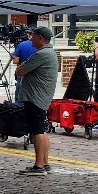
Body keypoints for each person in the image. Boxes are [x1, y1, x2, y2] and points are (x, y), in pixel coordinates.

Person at [16, 27, 58, 176]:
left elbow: (20, 71)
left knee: (37, 131)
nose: (31, 39)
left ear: (40, 38)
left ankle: (39, 166)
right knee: (41, 129)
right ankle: (45, 163)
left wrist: (21, 65)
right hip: (41, 97)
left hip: (35, 97)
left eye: (33, 37)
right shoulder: (49, 53)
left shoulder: (42, 54)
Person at [11, 34, 36, 102]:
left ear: (28, 35)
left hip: (22, 73)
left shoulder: (22, 45)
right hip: (35, 75)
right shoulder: (40, 46)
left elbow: (15, 61)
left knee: (19, 97)